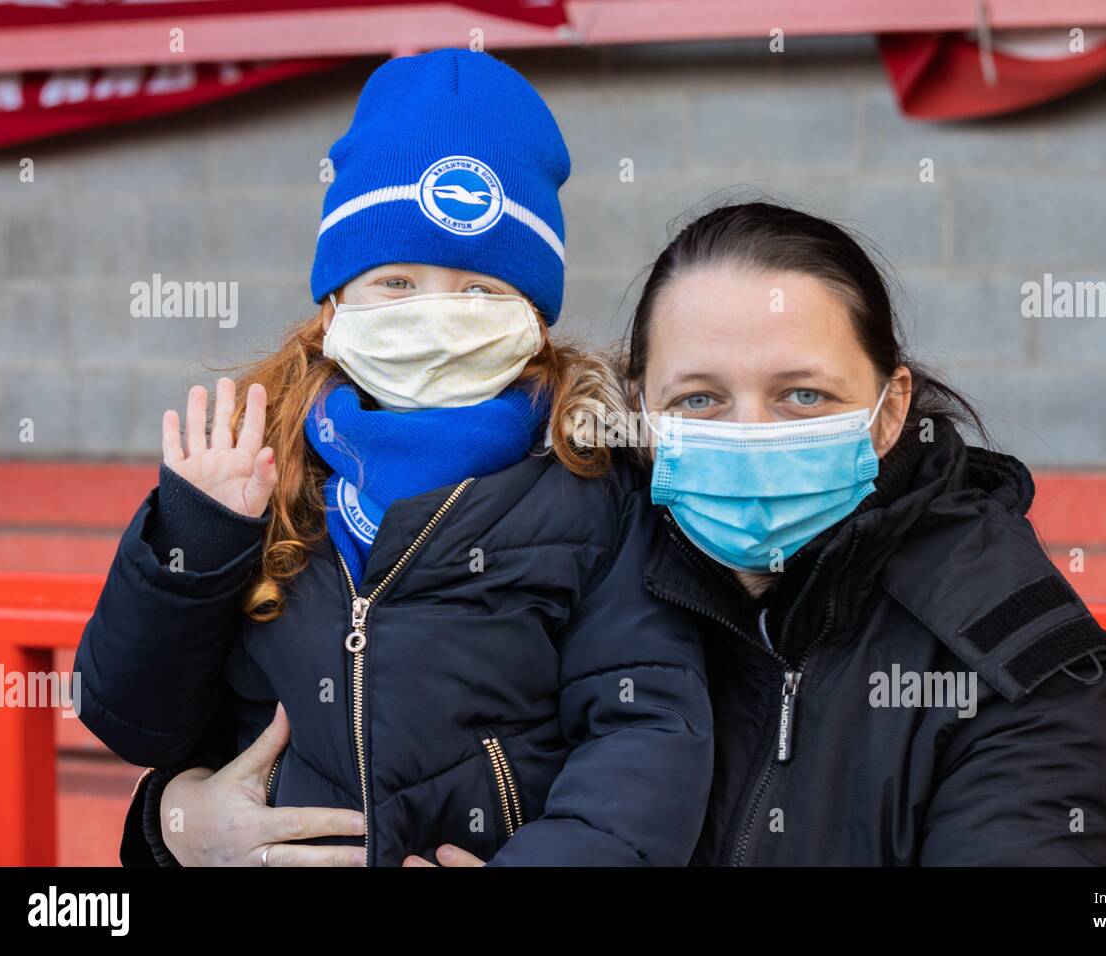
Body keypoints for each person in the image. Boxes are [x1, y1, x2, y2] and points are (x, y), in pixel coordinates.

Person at [118, 200, 1106, 867]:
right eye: (700, 396)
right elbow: (296, 743)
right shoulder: (583, 545)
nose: (748, 432)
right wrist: (170, 831)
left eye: (800, 393)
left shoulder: (1011, 654)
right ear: (637, 406)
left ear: (884, 406)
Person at [74, 48, 712, 868]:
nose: (438, 313)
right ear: (337, 302)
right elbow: (135, 720)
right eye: (397, 283)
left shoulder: (593, 485)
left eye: (480, 287)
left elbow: (646, 734)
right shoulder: (263, 471)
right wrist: (192, 543)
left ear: (534, 316)